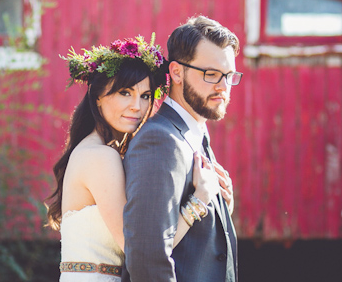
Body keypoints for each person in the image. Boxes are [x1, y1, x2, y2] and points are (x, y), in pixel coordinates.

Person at [46, 35, 221, 282]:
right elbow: (141, 249)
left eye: (146, 96)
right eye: (125, 93)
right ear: (97, 96)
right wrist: (199, 200)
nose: (137, 107)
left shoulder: (99, 151)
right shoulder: (100, 157)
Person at [122, 16, 241, 282]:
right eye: (211, 74)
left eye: (229, 76)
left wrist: (223, 207)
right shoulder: (160, 141)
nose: (223, 87)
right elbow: (147, 256)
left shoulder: (196, 133)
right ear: (177, 72)